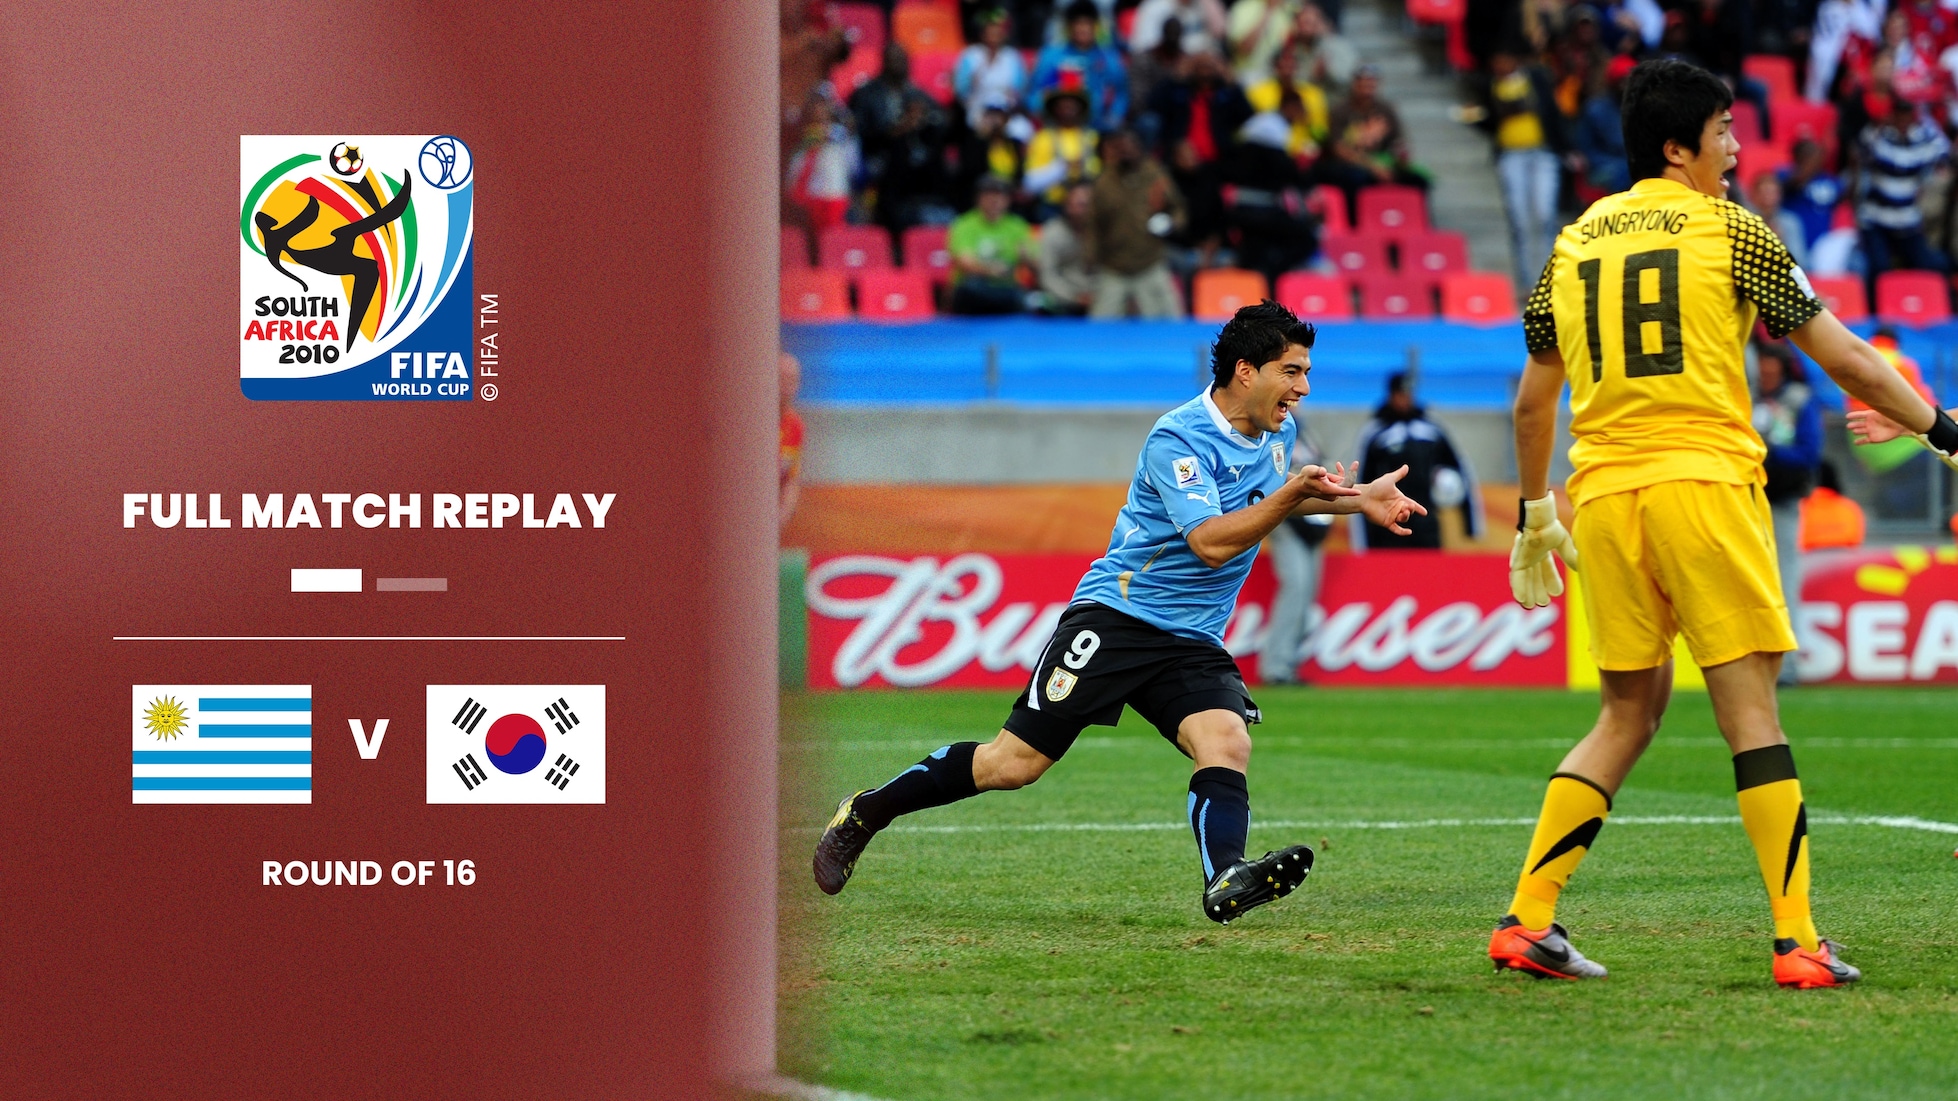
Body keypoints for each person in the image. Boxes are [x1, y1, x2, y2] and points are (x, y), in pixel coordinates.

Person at [1499, 57, 1958, 989]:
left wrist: (1536, 509)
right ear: (1680, 147)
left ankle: (1527, 920)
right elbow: (1857, 368)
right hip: (1704, 488)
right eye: (1723, 134)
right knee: (1750, 711)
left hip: (1606, 496)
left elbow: (1530, 403)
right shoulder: (1735, 231)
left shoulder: (1573, 242)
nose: (1737, 149)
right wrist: (1946, 432)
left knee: (1625, 710)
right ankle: (1797, 941)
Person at [812, 303, 1426, 924]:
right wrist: (1296, 491)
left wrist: (1354, 501)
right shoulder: (1178, 437)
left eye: (1306, 372)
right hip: (1117, 620)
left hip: (1191, 637)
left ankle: (1225, 877)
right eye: (1292, 371)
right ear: (1246, 370)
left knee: (1225, 739)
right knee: (1013, 764)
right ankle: (867, 810)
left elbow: (1263, 508)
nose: (1303, 388)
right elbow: (1212, 541)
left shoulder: (1277, 435)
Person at [1752, 344, 1823, 685]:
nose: (1765, 378)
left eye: (1770, 372)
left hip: (1781, 499)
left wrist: (1766, 451)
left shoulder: (1797, 400)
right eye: (1760, 372)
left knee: (1784, 579)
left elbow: (1809, 454)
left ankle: (1787, 667)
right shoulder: (1742, 397)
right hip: (1740, 498)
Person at [1351, 372, 1478, 549]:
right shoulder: (1375, 432)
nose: (1405, 399)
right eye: (1400, 394)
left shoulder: (1431, 429)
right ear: (1391, 395)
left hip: (1427, 523)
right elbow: (1360, 484)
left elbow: (1460, 468)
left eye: (1408, 394)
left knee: (1429, 574)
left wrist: (1471, 525)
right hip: (1388, 526)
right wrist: (1363, 543)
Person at [1485, 48, 1573, 288]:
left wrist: (1565, 148)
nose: (1499, 65)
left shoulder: (1535, 79)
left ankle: (1549, 279)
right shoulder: (1492, 86)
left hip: (1542, 153)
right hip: (1511, 156)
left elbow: (1552, 112)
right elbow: (1488, 119)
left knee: (1546, 216)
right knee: (1520, 220)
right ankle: (1526, 282)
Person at [1258, 418, 1334, 685]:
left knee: (1307, 591)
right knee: (1296, 587)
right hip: (1285, 520)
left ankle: (1287, 665)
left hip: (1311, 521)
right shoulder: (1270, 429)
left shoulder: (1305, 431)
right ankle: (1275, 667)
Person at [1855, 94, 1952, 300]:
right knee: (1879, 267)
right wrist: (1882, 123)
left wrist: (1928, 119)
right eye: (1899, 113)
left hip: (1908, 220)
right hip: (1877, 220)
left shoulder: (1924, 136)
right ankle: (1875, 312)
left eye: (1907, 113)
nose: (1903, 118)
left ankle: (1934, 309)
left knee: (1935, 265)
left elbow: (1945, 153)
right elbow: (1862, 151)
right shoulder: (1879, 135)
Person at [849, 44, 953, 232]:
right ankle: (891, 228)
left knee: (937, 167)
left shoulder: (918, 94)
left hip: (914, 158)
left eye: (902, 60)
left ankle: (933, 224)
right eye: (893, 59)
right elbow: (862, 135)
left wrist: (924, 121)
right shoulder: (866, 94)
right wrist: (898, 129)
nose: (899, 64)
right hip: (878, 155)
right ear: (884, 62)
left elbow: (942, 122)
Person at [1090, 128, 1189, 318]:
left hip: (1149, 263)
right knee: (1099, 326)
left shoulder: (1155, 176)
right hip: (1114, 266)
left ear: (1140, 148)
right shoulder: (1104, 182)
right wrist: (1092, 257)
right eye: (1120, 148)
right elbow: (1093, 224)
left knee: (1171, 322)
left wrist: (1169, 223)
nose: (1125, 151)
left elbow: (1179, 209)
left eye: (1130, 146)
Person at [1317, 65, 1428, 212]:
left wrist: (1400, 156)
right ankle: (1356, 225)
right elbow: (1339, 149)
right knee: (1356, 179)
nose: (1366, 89)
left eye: (1370, 84)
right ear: (1354, 84)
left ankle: (1412, 223)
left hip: (1381, 161)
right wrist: (1372, 166)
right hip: (1351, 163)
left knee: (1417, 181)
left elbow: (1398, 141)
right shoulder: (1340, 111)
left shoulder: (1385, 110)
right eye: (1362, 84)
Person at [1030, 1, 1129, 133]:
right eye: (1078, 24)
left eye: (1088, 24)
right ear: (1069, 27)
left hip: (1099, 127)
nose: (1083, 29)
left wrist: (1113, 117)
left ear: (1096, 26)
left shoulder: (1109, 59)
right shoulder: (1051, 56)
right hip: (1057, 126)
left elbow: (1121, 94)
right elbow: (1033, 94)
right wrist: (1045, 110)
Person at [946, 176, 1035, 314]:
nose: (995, 201)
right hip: (974, 288)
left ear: (1008, 200)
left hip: (1006, 288)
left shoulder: (1017, 226)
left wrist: (1028, 258)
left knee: (1024, 296)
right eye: (989, 196)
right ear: (978, 199)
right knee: (969, 290)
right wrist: (992, 271)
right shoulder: (964, 224)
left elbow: (1032, 258)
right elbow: (965, 262)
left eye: (1000, 196)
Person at [1023, 78, 1102, 210]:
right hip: (1053, 205)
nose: (1068, 110)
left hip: (1088, 204)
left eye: (1072, 106)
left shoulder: (1093, 137)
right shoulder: (1042, 138)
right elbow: (1031, 182)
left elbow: (1100, 172)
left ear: (1081, 109)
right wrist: (1063, 168)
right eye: (1063, 106)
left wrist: (1083, 167)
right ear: (1055, 110)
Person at [954, 8, 1030, 130]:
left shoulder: (1012, 57)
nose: (994, 35)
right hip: (978, 109)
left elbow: (1020, 90)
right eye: (990, 31)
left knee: (1021, 129)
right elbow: (961, 91)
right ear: (982, 33)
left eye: (997, 31)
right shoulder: (970, 55)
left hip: (1006, 110)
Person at [1036, 182, 1098, 314]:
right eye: (1081, 204)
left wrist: (1098, 296)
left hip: (1100, 295)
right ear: (1067, 206)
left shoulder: (1106, 231)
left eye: (1090, 204)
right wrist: (1073, 297)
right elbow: (1048, 275)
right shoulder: (1053, 232)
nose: (1086, 209)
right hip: (1065, 298)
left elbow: (1115, 271)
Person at [1227, 0, 1304, 85]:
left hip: (1281, 75)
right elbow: (1244, 49)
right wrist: (1268, 11)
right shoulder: (1244, 7)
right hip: (1249, 74)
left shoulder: (1290, 9)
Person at [1798, 460, 1867, 550]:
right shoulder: (1850, 507)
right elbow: (1856, 541)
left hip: (1808, 560)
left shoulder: (1800, 507)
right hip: (1845, 560)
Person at [1748, 173, 1809, 267]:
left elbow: (1801, 262)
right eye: (1764, 192)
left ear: (1779, 195)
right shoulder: (1746, 221)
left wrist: (1781, 243)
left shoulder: (1790, 222)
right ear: (1753, 195)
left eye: (1772, 193)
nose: (1768, 198)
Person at [1130, 0, 1228, 57]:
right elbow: (1142, 49)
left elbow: (1220, 32)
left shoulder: (1202, 5)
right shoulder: (1154, 8)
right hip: (1168, 71)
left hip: (1201, 71)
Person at [779, 352, 805, 534]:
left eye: (793, 381)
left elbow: (791, 479)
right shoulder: (749, 424)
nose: (789, 388)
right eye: (783, 380)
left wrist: (782, 515)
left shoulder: (795, 427)